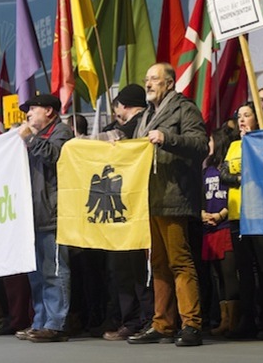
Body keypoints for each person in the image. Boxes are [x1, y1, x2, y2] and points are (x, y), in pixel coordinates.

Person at [127, 63, 207, 347]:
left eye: (154, 79)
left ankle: (192, 324)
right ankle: (162, 324)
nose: (148, 84)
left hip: (175, 196)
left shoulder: (184, 108)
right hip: (151, 198)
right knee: (158, 263)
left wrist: (167, 138)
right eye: (146, 78)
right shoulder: (147, 115)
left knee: (179, 261)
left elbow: (200, 144)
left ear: (169, 83)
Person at [89, 84, 154, 342]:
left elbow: (136, 140)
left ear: (122, 105)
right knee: (123, 269)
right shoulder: (120, 130)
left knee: (136, 269)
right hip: (120, 207)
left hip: (134, 207)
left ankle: (143, 320)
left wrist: (114, 137)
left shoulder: (141, 124)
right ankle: (133, 319)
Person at [219, 103, 263, 340]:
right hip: (238, 215)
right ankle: (247, 319)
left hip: (261, 213)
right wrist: (241, 177)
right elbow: (224, 175)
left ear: (257, 119)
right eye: (238, 116)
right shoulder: (233, 146)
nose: (241, 120)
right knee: (245, 271)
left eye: (246, 115)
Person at [15, 93, 74, 343]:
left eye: (33, 109)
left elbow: (56, 156)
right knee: (37, 274)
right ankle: (40, 321)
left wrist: (30, 139)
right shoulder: (32, 138)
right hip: (33, 216)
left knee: (55, 271)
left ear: (49, 111)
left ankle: (55, 323)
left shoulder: (62, 132)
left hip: (53, 214)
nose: (27, 114)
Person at [202, 128, 238, 336]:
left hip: (224, 226)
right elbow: (200, 195)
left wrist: (221, 215)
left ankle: (233, 320)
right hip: (209, 228)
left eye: (211, 140)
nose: (209, 144)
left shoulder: (227, 169)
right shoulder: (206, 170)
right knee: (216, 276)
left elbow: (231, 196)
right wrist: (203, 213)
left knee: (229, 274)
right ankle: (223, 319)